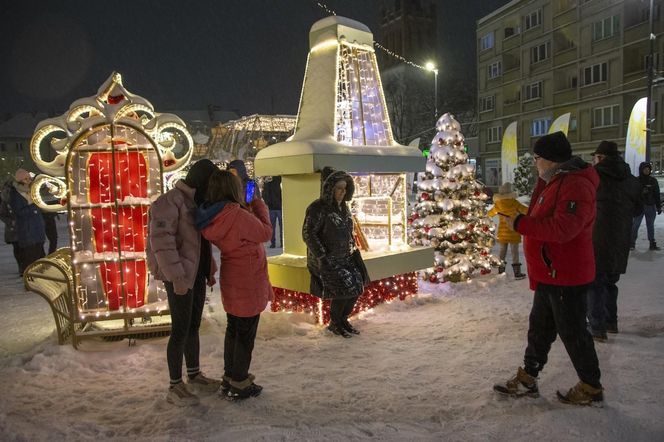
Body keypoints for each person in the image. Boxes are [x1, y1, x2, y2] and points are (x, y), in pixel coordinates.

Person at [493, 131, 604, 406]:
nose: (535, 164)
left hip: (566, 274)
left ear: (552, 160)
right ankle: (528, 378)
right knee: (539, 329)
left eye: (537, 158)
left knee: (573, 333)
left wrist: (521, 224)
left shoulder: (575, 185)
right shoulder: (555, 181)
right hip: (550, 273)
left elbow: (564, 228)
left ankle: (591, 388)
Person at [147, 159, 221, 407]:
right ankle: (175, 385)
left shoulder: (195, 203)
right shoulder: (169, 202)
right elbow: (162, 243)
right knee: (180, 329)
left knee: (193, 325)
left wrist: (207, 268)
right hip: (179, 276)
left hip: (195, 274)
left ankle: (194, 374)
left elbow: (200, 242)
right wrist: (176, 277)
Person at [196, 170, 273, 400]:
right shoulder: (236, 215)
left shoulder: (216, 215)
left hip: (234, 278)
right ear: (232, 189)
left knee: (234, 329)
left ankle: (230, 376)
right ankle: (240, 382)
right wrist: (258, 204)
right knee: (245, 334)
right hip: (247, 279)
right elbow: (265, 232)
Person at [302, 167, 370, 338]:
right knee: (343, 289)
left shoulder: (344, 207)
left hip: (346, 257)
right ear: (330, 188)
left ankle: (343, 319)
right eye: (338, 188)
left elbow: (347, 231)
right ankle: (335, 323)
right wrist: (322, 256)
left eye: (344, 188)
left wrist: (352, 247)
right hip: (328, 259)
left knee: (356, 287)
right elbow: (308, 233)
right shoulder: (318, 208)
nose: (342, 191)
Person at [587, 141, 642, 341]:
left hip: (597, 237)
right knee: (610, 282)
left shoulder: (594, 177)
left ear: (600, 158)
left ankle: (597, 327)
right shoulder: (631, 179)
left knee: (594, 284)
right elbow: (638, 209)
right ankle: (611, 323)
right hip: (620, 240)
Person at [487, 182, 528, 279]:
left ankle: (501, 271)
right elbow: (525, 210)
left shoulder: (498, 204)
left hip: (502, 233)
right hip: (513, 230)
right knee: (515, 253)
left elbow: (490, 214)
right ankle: (517, 273)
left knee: (502, 251)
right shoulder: (514, 202)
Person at [8, 169, 45, 276]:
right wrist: (34, 207)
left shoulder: (31, 191)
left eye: (29, 178)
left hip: (37, 230)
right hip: (27, 232)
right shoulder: (15, 194)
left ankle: (40, 278)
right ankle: (30, 279)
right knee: (30, 258)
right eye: (26, 179)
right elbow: (19, 211)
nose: (29, 180)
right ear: (20, 180)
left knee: (40, 256)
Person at [630, 161, 661, 251]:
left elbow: (657, 194)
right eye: (645, 169)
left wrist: (658, 206)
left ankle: (652, 243)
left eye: (648, 169)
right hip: (639, 207)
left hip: (650, 206)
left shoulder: (653, 181)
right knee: (635, 225)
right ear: (641, 170)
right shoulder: (636, 180)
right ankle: (631, 243)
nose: (647, 170)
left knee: (650, 226)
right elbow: (632, 194)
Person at [0, 176, 20, 272]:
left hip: (21, 226)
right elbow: (2, 214)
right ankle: (21, 267)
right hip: (13, 228)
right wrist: (10, 222)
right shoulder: (6, 199)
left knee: (21, 248)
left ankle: (23, 267)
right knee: (17, 247)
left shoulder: (20, 195)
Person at [262, 176, 282, 248]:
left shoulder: (268, 181)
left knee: (272, 226)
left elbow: (264, 194)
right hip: (280, 207)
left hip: (271, 207)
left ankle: (273, 243)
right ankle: (282, 243)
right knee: (282, 227)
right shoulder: (281, 180)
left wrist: (268, 203)